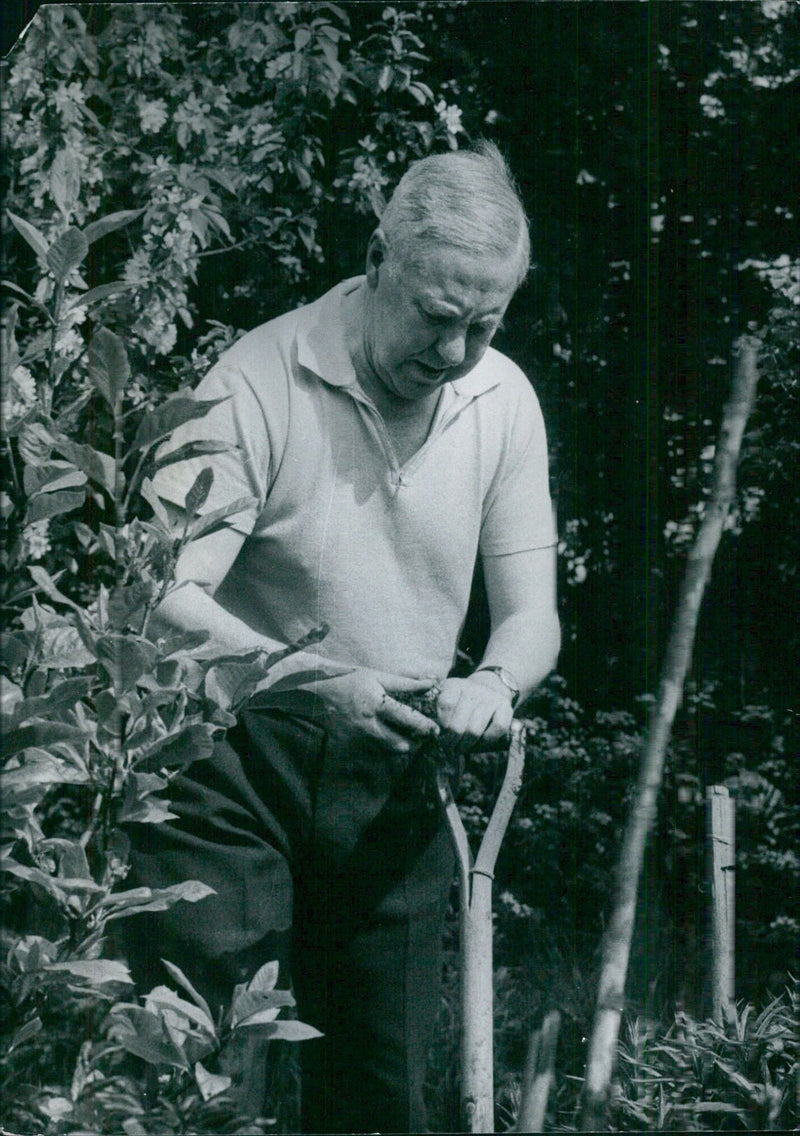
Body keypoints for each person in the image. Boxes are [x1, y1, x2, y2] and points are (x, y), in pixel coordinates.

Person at [127, 140, 560, 1133]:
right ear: (377, 261)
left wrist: (493, 681)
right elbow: (158, 594)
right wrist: (312, 678)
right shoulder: (253, 382)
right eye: (436, 316)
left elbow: (530, 613)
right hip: (227, 767)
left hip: (395, 764)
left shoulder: (504, 401)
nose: (453, 352)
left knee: (381, 1089)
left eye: (483, 325)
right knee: (201, 1073)